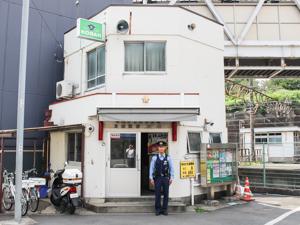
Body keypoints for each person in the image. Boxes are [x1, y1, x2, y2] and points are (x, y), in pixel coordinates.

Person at [149, 141, 174, 216]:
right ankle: (158, 209)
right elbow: (151, 168)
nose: (161, 148)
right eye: (160, 147)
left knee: (166, 194)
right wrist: (151, 178)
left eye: (163, 147)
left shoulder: (168, 158)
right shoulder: (154, 158)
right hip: (157, 178)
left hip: (166, 178)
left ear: (165, 148)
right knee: (157, 194)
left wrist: (171, 177)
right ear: (158, 148)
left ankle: (165, 209)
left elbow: (171, 168)